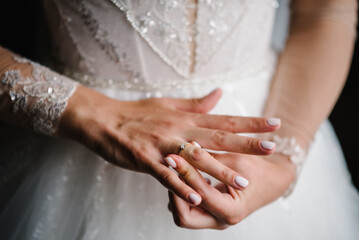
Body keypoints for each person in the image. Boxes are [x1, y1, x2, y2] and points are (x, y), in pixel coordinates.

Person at [0, 0, 358, 239]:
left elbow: (326, 11)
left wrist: (284, 156)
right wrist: (95, 114)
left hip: (274, 131)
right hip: (74, 145)